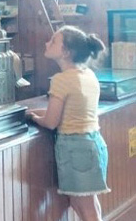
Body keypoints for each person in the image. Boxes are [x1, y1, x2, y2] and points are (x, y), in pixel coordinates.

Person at [26, 26, 109, 221]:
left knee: (85, 208)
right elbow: (71, 112)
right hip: (92, 144)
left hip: (75, 149)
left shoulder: (61, 80)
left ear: (65, 52)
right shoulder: (87, 74)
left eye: (54, 41)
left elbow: (51, 122)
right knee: (87, 205)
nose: (47, 43)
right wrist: (35, 113)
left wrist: (34, 118)